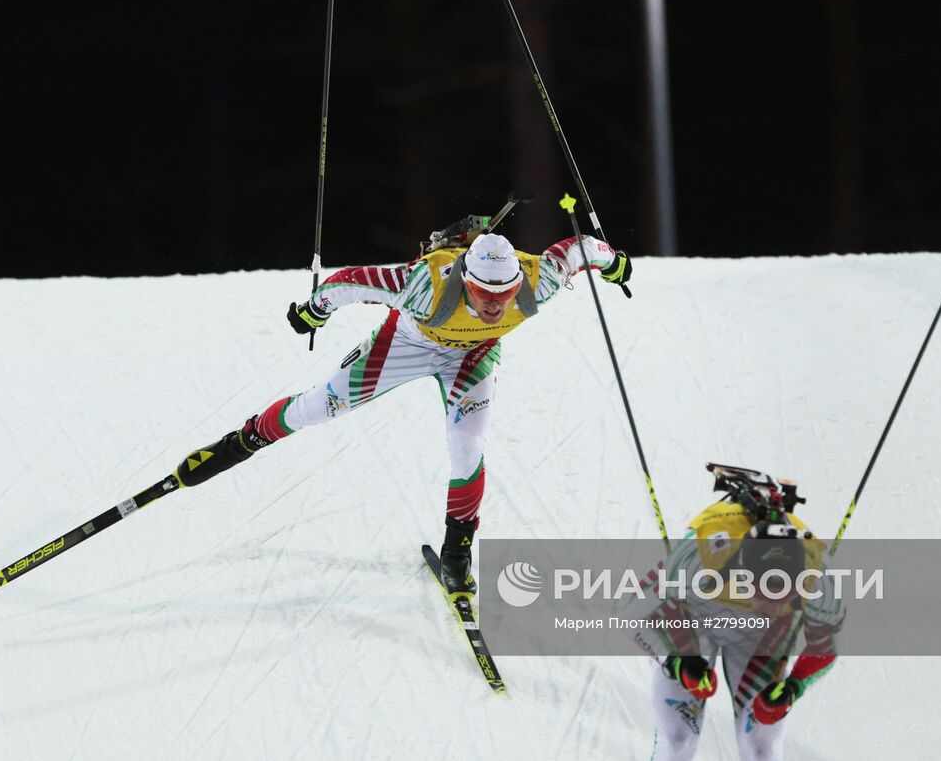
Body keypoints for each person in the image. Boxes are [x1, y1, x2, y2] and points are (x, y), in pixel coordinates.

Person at [169, 227, 631, 597]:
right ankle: (245, 440)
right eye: (483, 293)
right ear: (465, 280)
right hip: (405, 346)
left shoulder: (537, 281)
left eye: (505, 294)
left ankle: (457, 552)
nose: (495, 304)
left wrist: (614, 263)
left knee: (468, 448)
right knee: (317, 407)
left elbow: (581, 247)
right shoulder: (423, 287)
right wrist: (314, 310)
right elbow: (351, 281)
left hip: (471, 358)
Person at [627, 467, 844, 761]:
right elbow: (634, 609)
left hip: (760, 635)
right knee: (677, 739)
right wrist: (678, 663)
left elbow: (824, 646)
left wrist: (794, 687)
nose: (774, 607)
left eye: (787, 596)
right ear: (742, 571)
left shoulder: (819, 574)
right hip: (696, 615)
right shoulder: (702, 553)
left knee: (761, 748)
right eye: (763, 594)